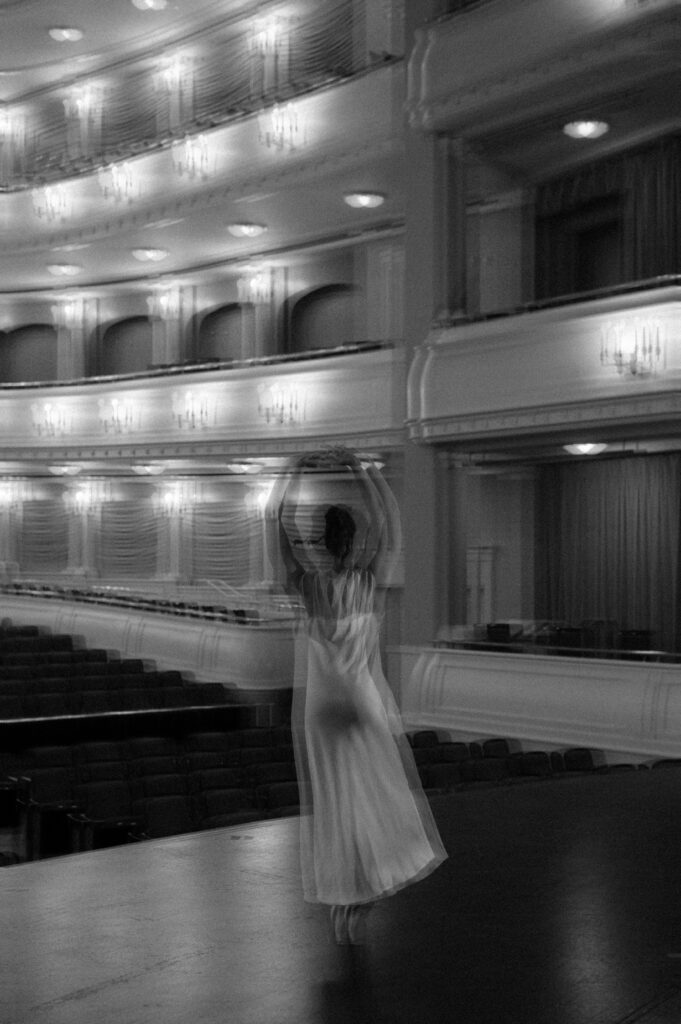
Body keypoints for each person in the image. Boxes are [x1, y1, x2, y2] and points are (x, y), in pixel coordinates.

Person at [271, 448, 447, 945]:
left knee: (333, 804)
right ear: (353, 542)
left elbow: (275, 523)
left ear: (320, 544)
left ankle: (342, 893)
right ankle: (365, 887)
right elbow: (389, 526)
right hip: (362, 701)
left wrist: (292, 473)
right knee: (377, 799)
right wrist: (363, 474)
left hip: (322, 709)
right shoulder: (367, 582)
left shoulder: (307, 585)